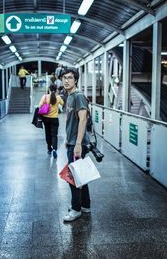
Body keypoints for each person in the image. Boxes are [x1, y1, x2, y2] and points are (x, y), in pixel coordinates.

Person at [61, 67, 91, 222]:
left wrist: (78, 144)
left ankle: (76, 209)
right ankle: (85, 205)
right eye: (64, 78)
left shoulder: (78, 96)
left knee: (73, 177)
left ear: (76, 80)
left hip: (77, 144)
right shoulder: (70, 96)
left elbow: (83, 120)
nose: (66, 80)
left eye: (70, 78)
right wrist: (68, 139)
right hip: (73, 141)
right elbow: (72, 122)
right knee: (80, 174)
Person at [38, 84, 64, 158]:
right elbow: (63, 103)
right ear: (56, 90)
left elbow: (39, 106)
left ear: (49, 89)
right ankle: (55, 149)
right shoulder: (58, 97)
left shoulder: (45, 97)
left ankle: (49, 149)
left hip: (46, 119)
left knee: (48, 134)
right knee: (54, 135)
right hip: (55, 119)